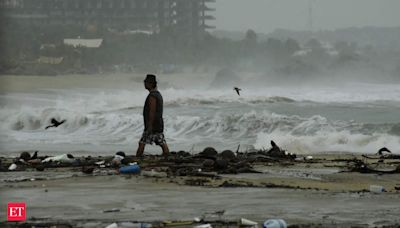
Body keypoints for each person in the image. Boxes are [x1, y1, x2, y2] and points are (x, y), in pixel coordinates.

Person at [136, 74, 169, 158]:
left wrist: (149, 125)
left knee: (142, 142)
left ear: (151, 84)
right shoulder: (158, 94)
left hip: (153, 124)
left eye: (146, 82)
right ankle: (167, 156)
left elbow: (152, 111)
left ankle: (137, 159)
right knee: (161, 142)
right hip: (158, 123)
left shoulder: (152, 95)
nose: (144, 84)